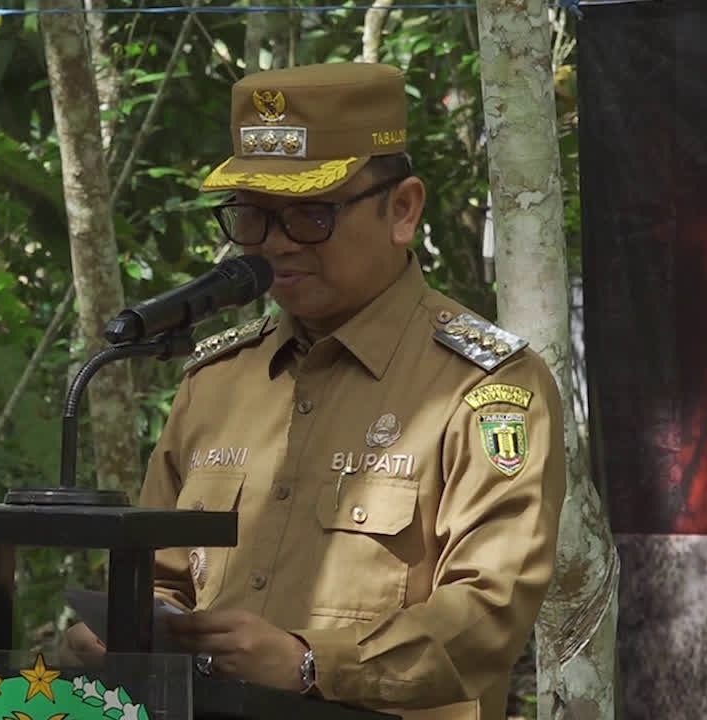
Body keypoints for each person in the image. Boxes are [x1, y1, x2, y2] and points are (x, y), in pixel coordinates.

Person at [63, 61, 566, 720]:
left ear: (402, 209)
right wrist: (117, 639)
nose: (274, 248)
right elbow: (162, 581)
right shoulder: (215, 384)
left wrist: (309, 663)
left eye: (310, 215)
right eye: (251, 217)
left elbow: (486, 617)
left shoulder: (485, 388)